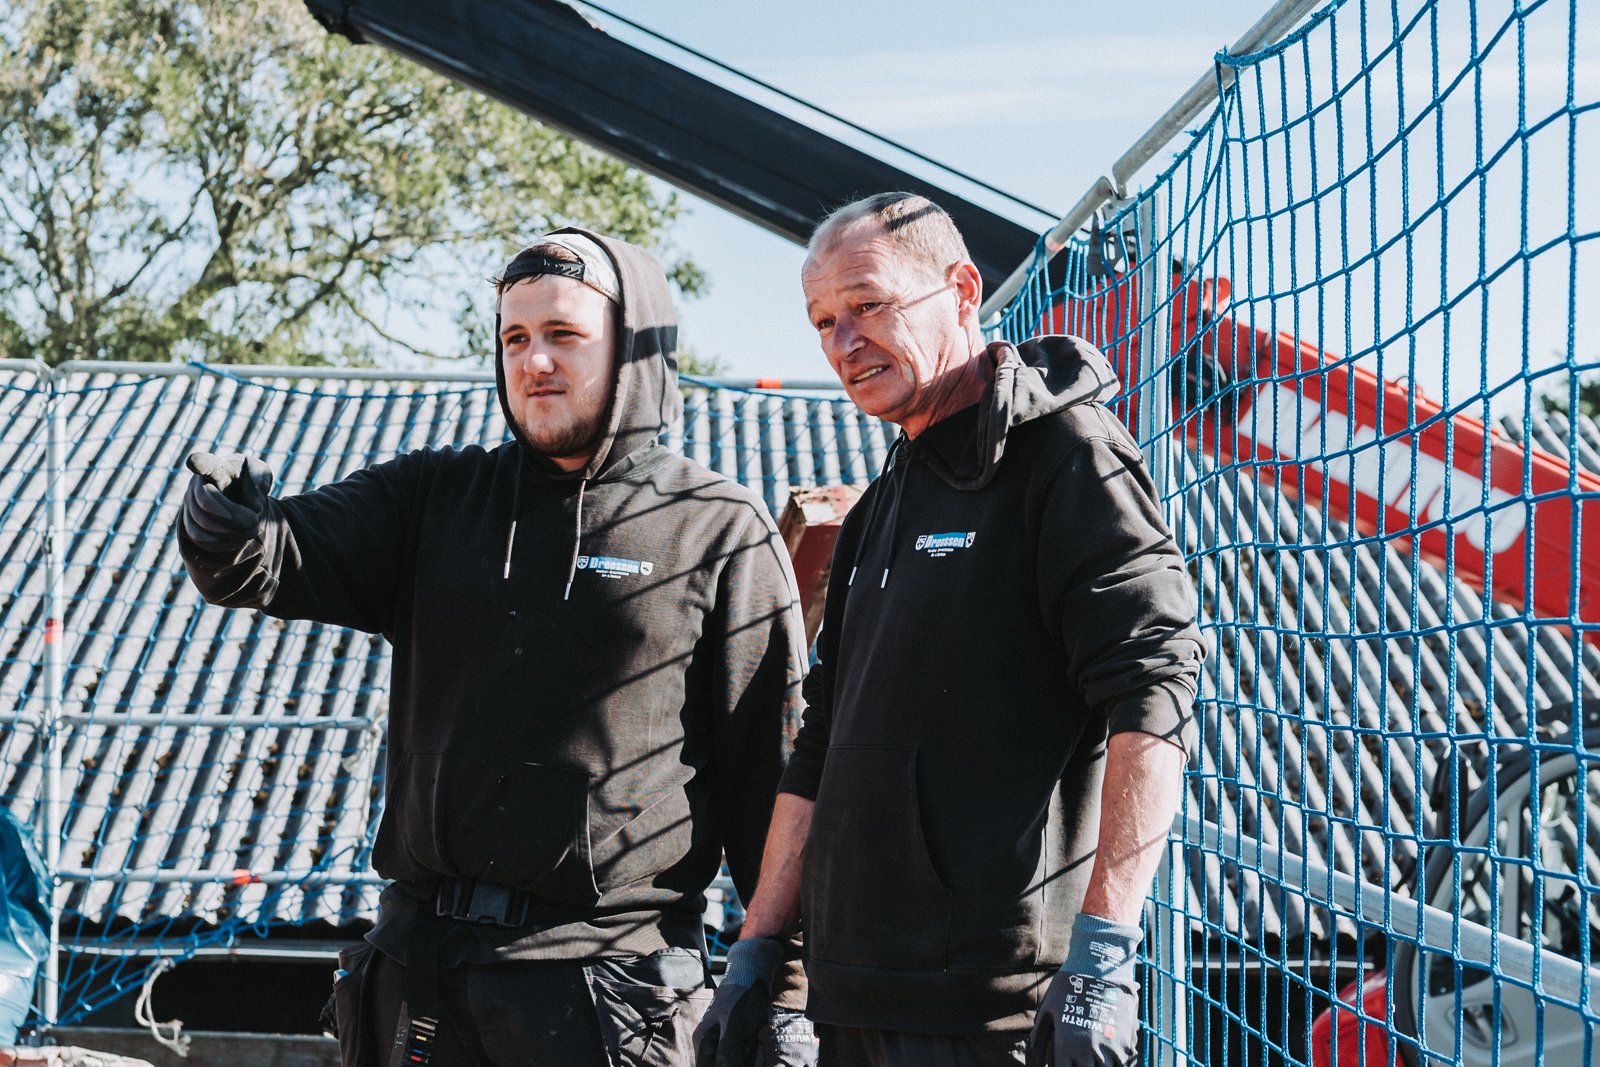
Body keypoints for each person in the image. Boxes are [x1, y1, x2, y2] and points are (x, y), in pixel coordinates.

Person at [176, 229, 810, 1067]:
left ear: (633, 346)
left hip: (605, 991)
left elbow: (777, 788)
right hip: (418, 976)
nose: (535, 360)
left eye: (564, 334)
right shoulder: (437, 497)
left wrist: (784, 988)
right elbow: (275, 559)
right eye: (515, 337)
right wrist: (223, 526)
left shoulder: (716, 528)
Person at [694, 194, 1205, 1067]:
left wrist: (1103, 957)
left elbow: (1153, 688)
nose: (842, 343)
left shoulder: (1067, 455)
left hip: (988, 1013)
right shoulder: (882, 502)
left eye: (867, 304)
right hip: (850, 1001)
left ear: (962, 288)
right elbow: (820, 745)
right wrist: (757, 953)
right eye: (822, 321)